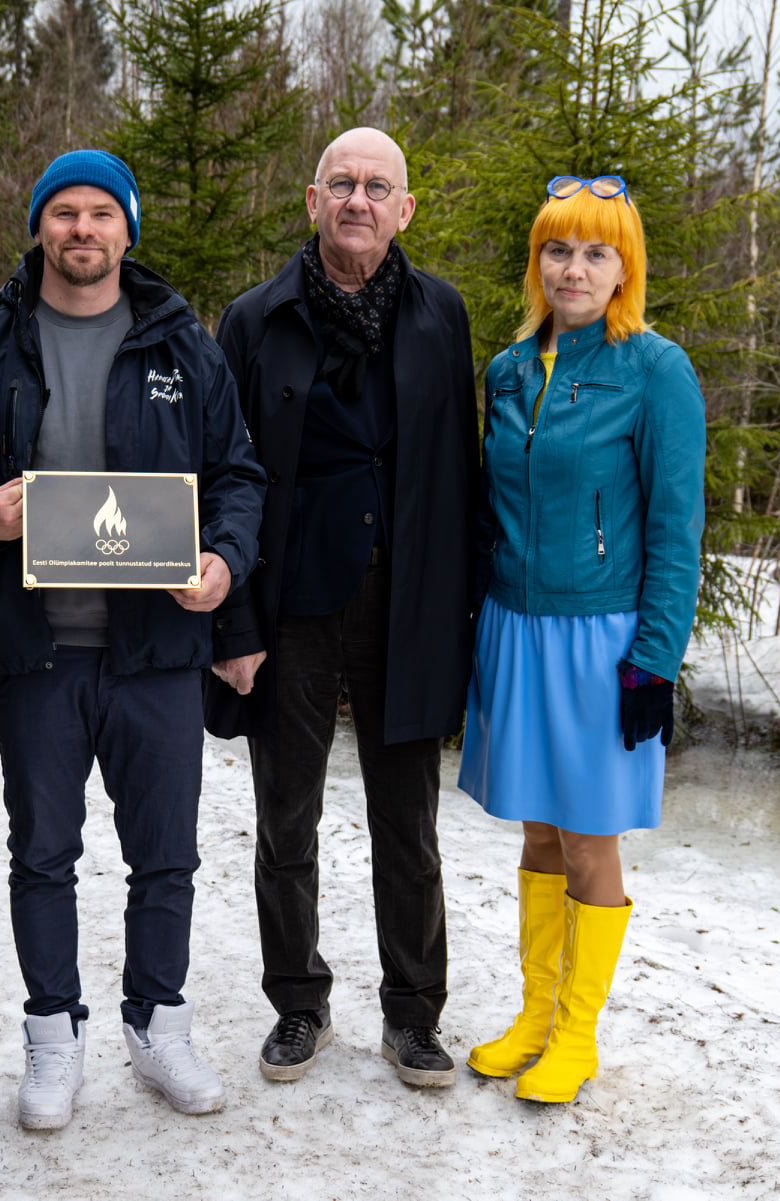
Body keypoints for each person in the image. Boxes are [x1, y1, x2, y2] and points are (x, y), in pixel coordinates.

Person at [0, 150, 265, 1129]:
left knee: (163, 855)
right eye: (64, 214)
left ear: (128, 228)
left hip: (155, 651)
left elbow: (238, 475)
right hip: (33, 652)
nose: (83, 230)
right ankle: (51, 1035)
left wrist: (223, 560)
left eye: (100, 214)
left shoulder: (182, 347)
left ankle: (158, 1022)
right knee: (43, 851)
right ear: (41, 226)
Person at [205, 127, 479, 1087]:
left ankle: (412, 1014)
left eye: (378, 187)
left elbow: (459, 479)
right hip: (289, 607)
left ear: (404, 210)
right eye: (341, 184)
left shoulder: (442, 317)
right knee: (286, 818)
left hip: (403, 605)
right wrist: (230, 627)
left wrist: (461, 619)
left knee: (408, 824)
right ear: (311, 200)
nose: (358, 200)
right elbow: (220, 483)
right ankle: (298, 1001)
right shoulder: (253, 319)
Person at [460, 174, 706, 1103]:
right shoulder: (511, 370)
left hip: (602, 639)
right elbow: (488, 512)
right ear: (538, 261)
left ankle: (576, 1032)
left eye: (595, 251)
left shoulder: (654, 369)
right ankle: (532, 1013)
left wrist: (653, 659)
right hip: (515, 630)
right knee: (536, 829)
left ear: (623, 268)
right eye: (558, 249)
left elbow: (675, 528)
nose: (574, 267)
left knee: (590, 839)